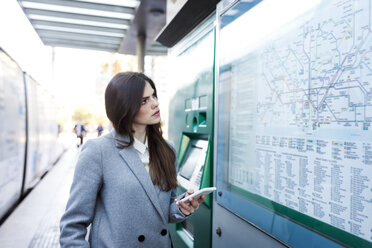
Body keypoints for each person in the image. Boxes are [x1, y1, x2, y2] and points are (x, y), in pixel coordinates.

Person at [60, 72, 205, 248]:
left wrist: (182, 208)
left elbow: (162, 210)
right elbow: (72, 227)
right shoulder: (98, 151)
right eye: (144, 100)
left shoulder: (168, 150)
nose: (155, 103)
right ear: (124, 107)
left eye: (153, 95)